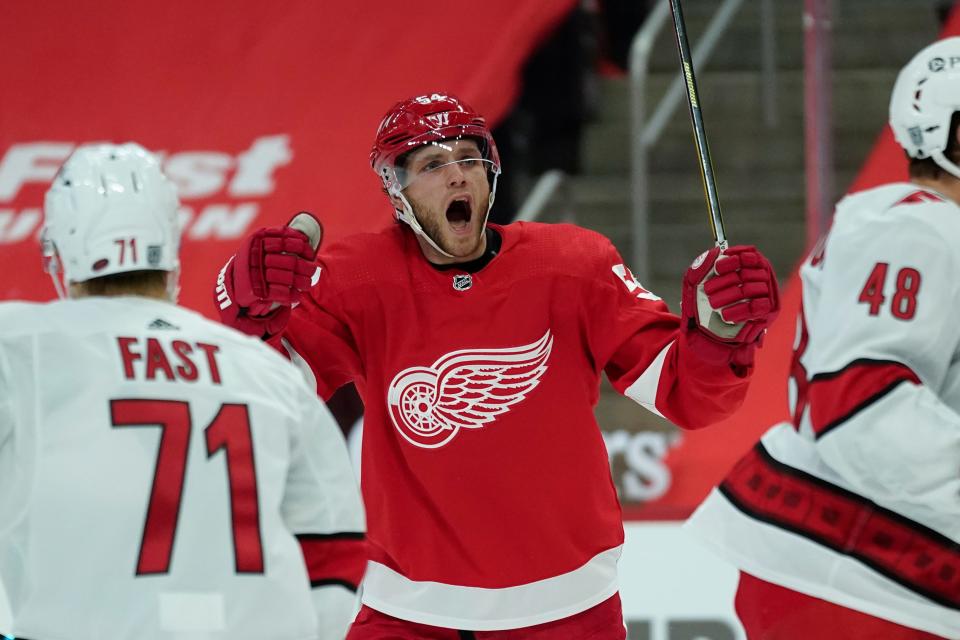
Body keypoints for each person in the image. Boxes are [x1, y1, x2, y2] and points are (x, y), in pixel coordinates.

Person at [213, 92, 780, 638]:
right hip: (405, 617)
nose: (458, 174)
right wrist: (251, 314)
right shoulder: (357, 279)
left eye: (469, 158)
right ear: (398, 192)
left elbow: (689, 395)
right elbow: (269, 401)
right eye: (432, 163)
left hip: (569, 615)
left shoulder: (573, 265)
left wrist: (718, 336)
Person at [0, 143, 365, 640]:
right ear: (170, 245)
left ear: (62, 252)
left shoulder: (21, 347)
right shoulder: (265, 372)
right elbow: (334, 542)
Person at [684, 38, 960, 640]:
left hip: (881, 576)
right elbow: (861, 405)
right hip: (860, 577)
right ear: (943, 136)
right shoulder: (916, 225)